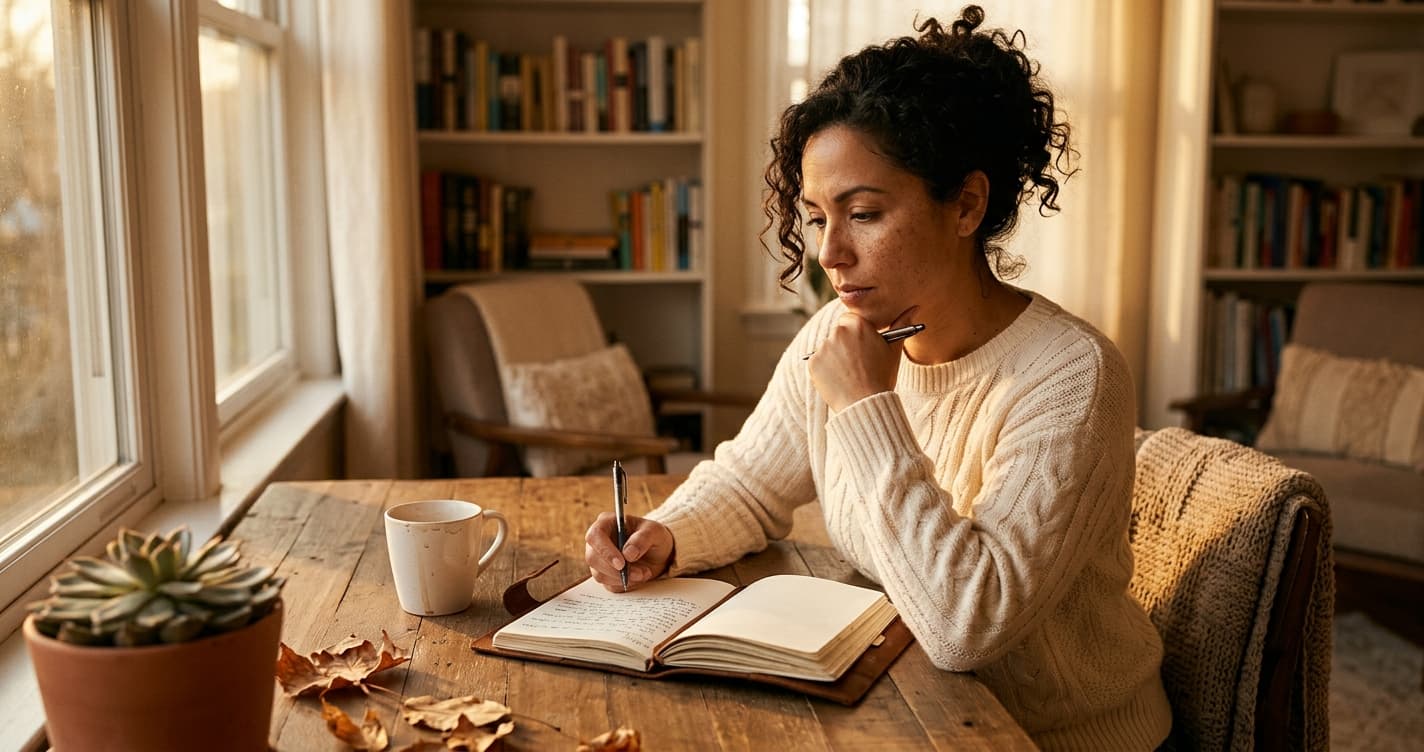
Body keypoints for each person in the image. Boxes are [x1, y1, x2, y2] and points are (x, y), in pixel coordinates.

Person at [583, 6, 1171, 749]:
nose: (830, 254)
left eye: (862, 213)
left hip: (1053, 737)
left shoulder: (1071, 376)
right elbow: (751, 483)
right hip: (905, 704)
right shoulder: (838, 332)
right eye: (815, 217)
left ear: (966, 205)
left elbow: (967, 625)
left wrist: (867, 404)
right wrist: (664, 536)